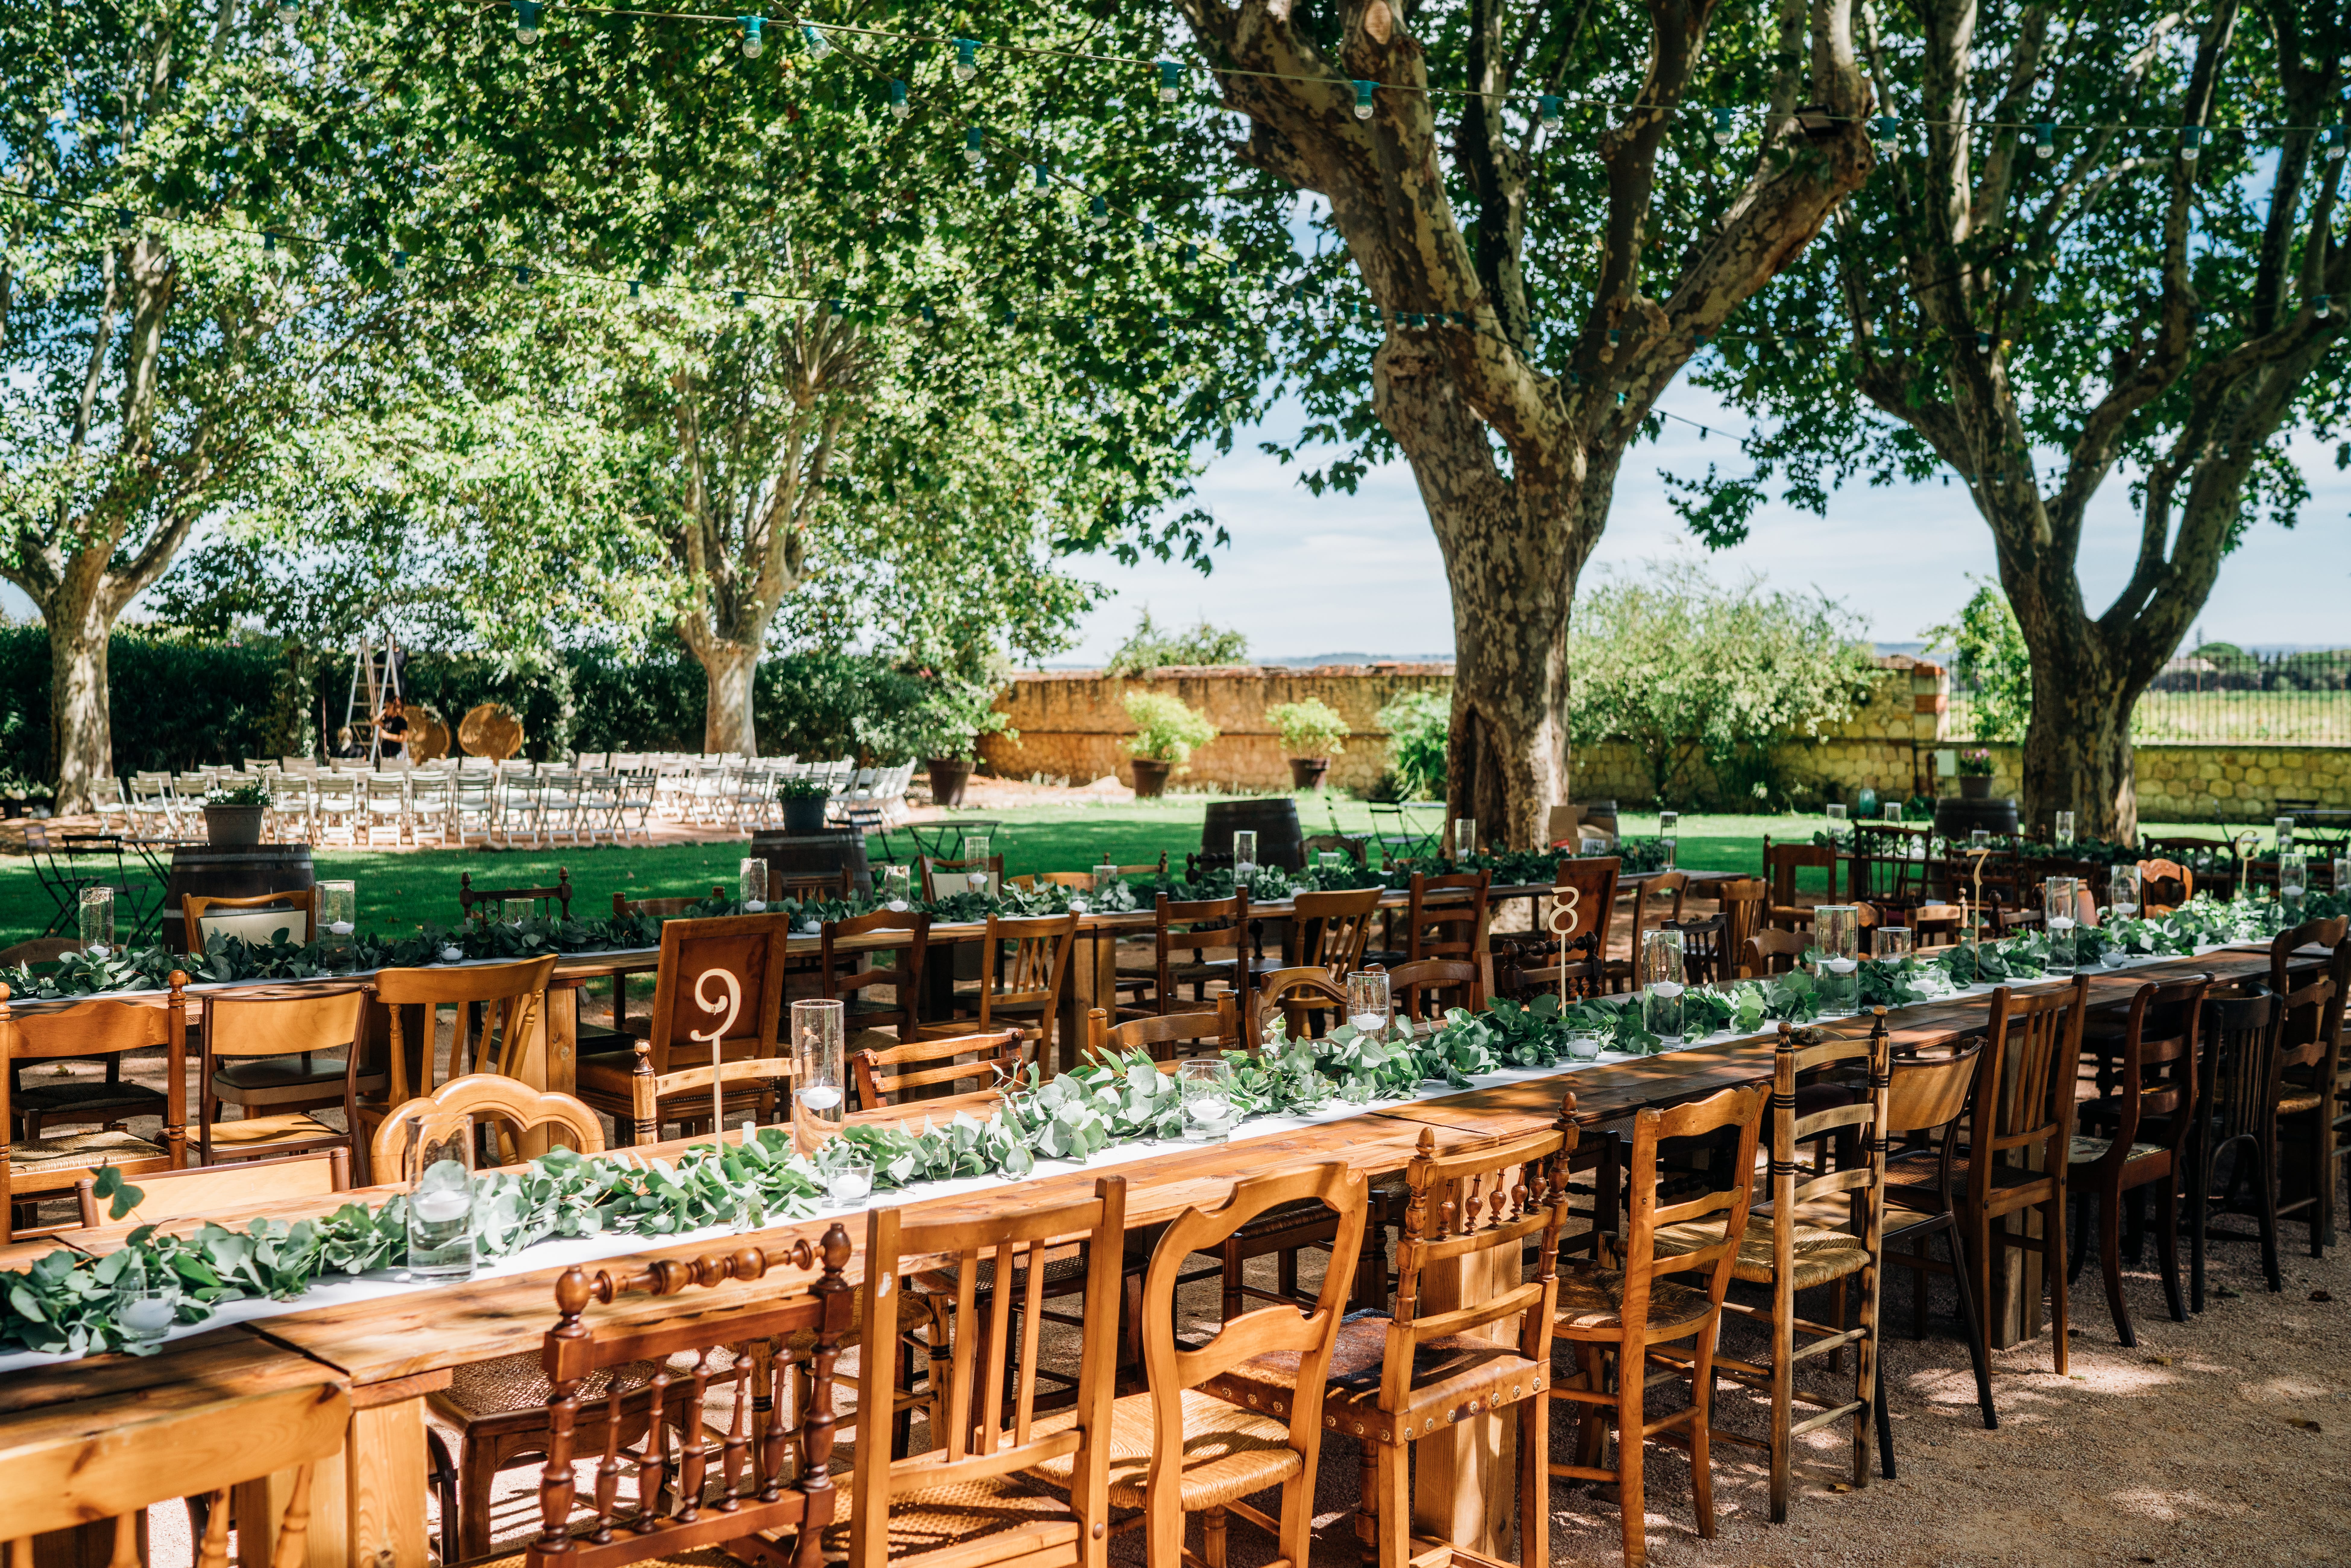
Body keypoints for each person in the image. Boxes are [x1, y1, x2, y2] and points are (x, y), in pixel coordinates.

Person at [377, 695, 411, 760]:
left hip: (396, 755)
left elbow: (404, 738)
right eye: (386, 707)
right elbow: (375, 722)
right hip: (386, 755)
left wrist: (387, 736)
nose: (387, 709)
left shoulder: (401, 721)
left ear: (395, 708)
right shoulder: (388, 721)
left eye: (389, 707)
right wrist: (383, 712)